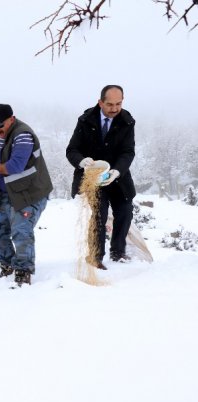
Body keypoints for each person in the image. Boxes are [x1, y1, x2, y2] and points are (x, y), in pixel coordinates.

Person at [0, 104, 53, 286]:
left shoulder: (23, 135)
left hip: (30, 193)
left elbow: (15, 166)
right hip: (8, 193)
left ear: (11, 118)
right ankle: (8, 264)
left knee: (21, 230)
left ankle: (24, 269)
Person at [66, 85, 136, 270]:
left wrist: (117, 171)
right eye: (110, 104)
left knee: (125, 211)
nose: (114, 108)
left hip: (117, 177)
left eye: (118, 104)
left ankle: (118, 252)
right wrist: (81, 161)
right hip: (93, 177)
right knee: (99, 214)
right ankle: (95, 257)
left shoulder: (127, 121)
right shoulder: (85, 120)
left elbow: (128, 152)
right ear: (100, 102)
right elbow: (72, 150)